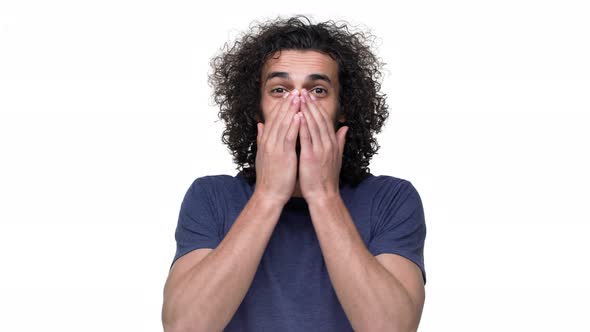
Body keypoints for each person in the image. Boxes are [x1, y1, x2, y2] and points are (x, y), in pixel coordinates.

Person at [162, 14, 427, 332]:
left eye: (317, 91)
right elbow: (184, 327)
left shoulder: (392, 198)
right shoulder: (211, 196)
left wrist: (323, 195)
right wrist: (268, 196)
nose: (298, 104)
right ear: (256, 107)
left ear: (342, 108)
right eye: (279, 90)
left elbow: (391, 328)